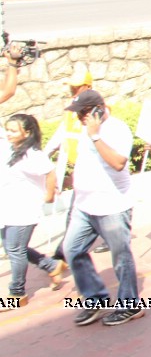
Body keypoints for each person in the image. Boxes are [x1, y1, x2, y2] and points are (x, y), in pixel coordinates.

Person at [60, 90, 142, 325]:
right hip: (85, 206)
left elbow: (118, 163)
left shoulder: (116, 130)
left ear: (99, 109)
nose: (79, 118)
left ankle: (130, 305)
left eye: (83, 113)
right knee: (72, 249)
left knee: (120, 256)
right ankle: (95, 299)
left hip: (112, 205)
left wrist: (96, 137)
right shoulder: (87, 131)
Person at [2, 114, 65, 309]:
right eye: (7, 129)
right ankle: (52, 266)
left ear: (27, 132)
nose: (8, 133)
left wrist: (49, 194)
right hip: (7, 207)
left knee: (15, 249)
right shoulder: (8, 147)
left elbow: (50, 172)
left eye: (13, 130)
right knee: (13, 247)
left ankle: (17, 293)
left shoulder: (33, 154)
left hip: (23, 209)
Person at [46, 67, 93, 261]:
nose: (72, 92)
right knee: (78, 213)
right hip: (79, 168)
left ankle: (64, 253)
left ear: (87, 87)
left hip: (91, 169)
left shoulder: (94, 109)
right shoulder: (72, 109)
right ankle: (65, 252)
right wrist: (45, 154)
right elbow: (62, 133)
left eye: (76, 88)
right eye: (71, 89)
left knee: (79, 213)